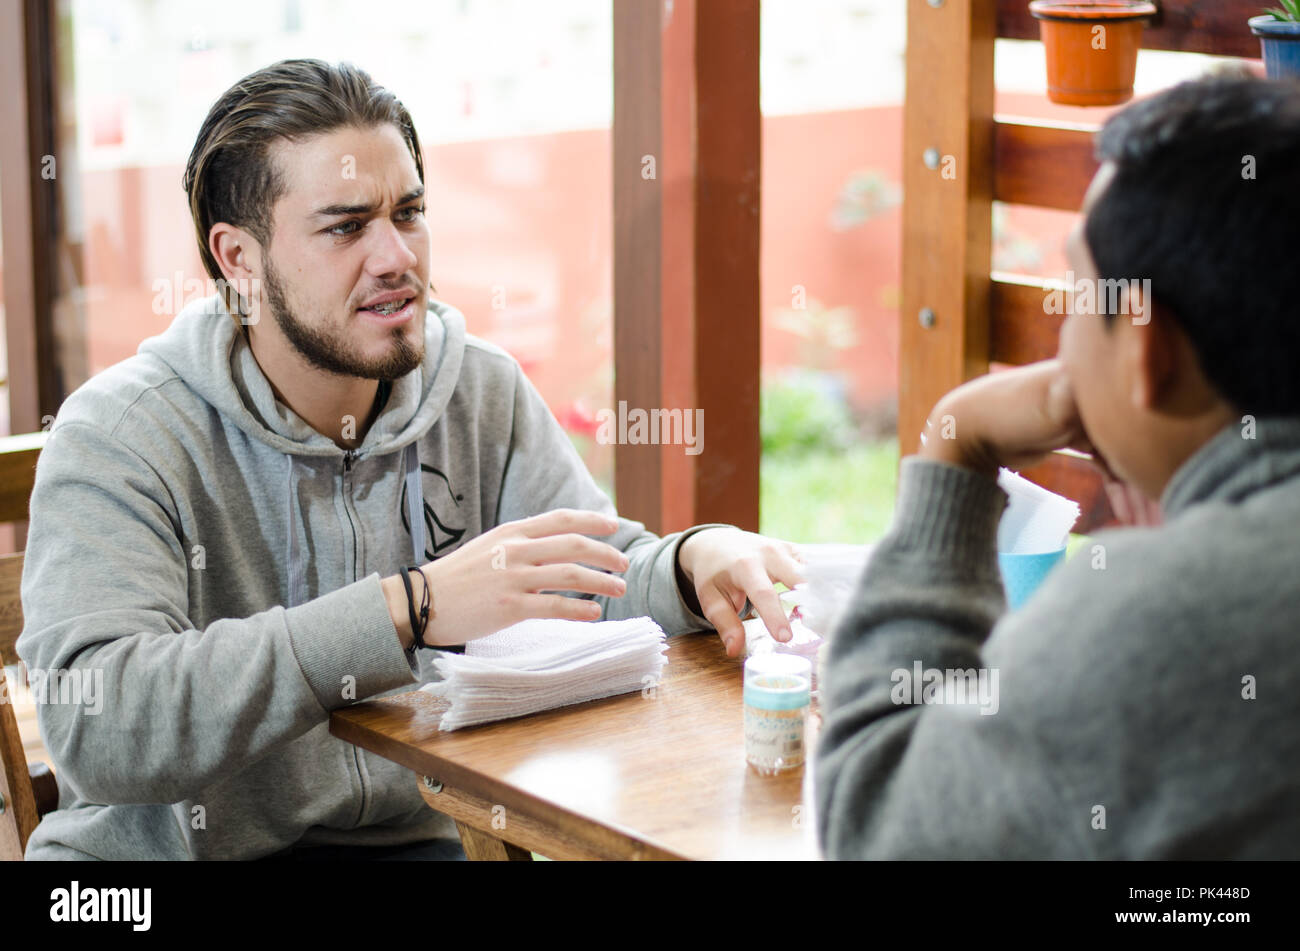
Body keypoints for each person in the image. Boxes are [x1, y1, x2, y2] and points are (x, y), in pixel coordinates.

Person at [18, 59, 802, 860]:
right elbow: (100, 723)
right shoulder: (123, 431)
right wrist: (410, 606)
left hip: (423, 841)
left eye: (410, 211)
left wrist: (687, 561)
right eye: (346, 226)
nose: (397, 256)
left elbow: (587, 573)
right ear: (239, 259)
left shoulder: (477, 388)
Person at [816, 75, 1300, 859]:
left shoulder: (1159, 615)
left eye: (1078, 290)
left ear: (1146, 350)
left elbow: (877, 821)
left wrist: (956, 446)